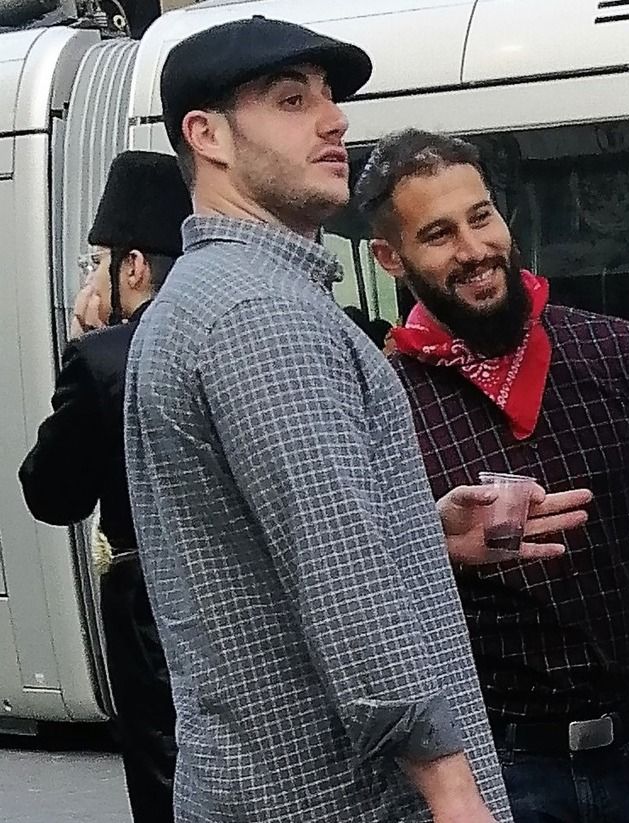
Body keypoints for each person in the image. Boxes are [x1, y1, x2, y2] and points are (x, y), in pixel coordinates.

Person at [123, 17, 589, 823]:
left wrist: (419, 533)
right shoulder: (264, 314)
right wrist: (454, 792)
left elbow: (268, 552)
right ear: (207, 136)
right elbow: (344, 585)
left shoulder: (200, 300)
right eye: (291, 100)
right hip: (343, 797)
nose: (334, 120)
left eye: (329, 97)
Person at [354, 129, 629, 823]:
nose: (474, 249)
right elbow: (360, 586)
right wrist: (437, 544)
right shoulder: (381, 401)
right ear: (390, 257)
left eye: (481, 217)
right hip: (500, 768)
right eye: (439, 234)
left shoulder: (613, 352)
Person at [19, 149, 191, 823]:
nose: (92, 278)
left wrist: (84, 351)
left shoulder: (105, 358)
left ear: (134, 266)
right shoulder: (239, 328)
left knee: (169, 777)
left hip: (151, 610)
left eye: (98, 262)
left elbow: (52, 491)